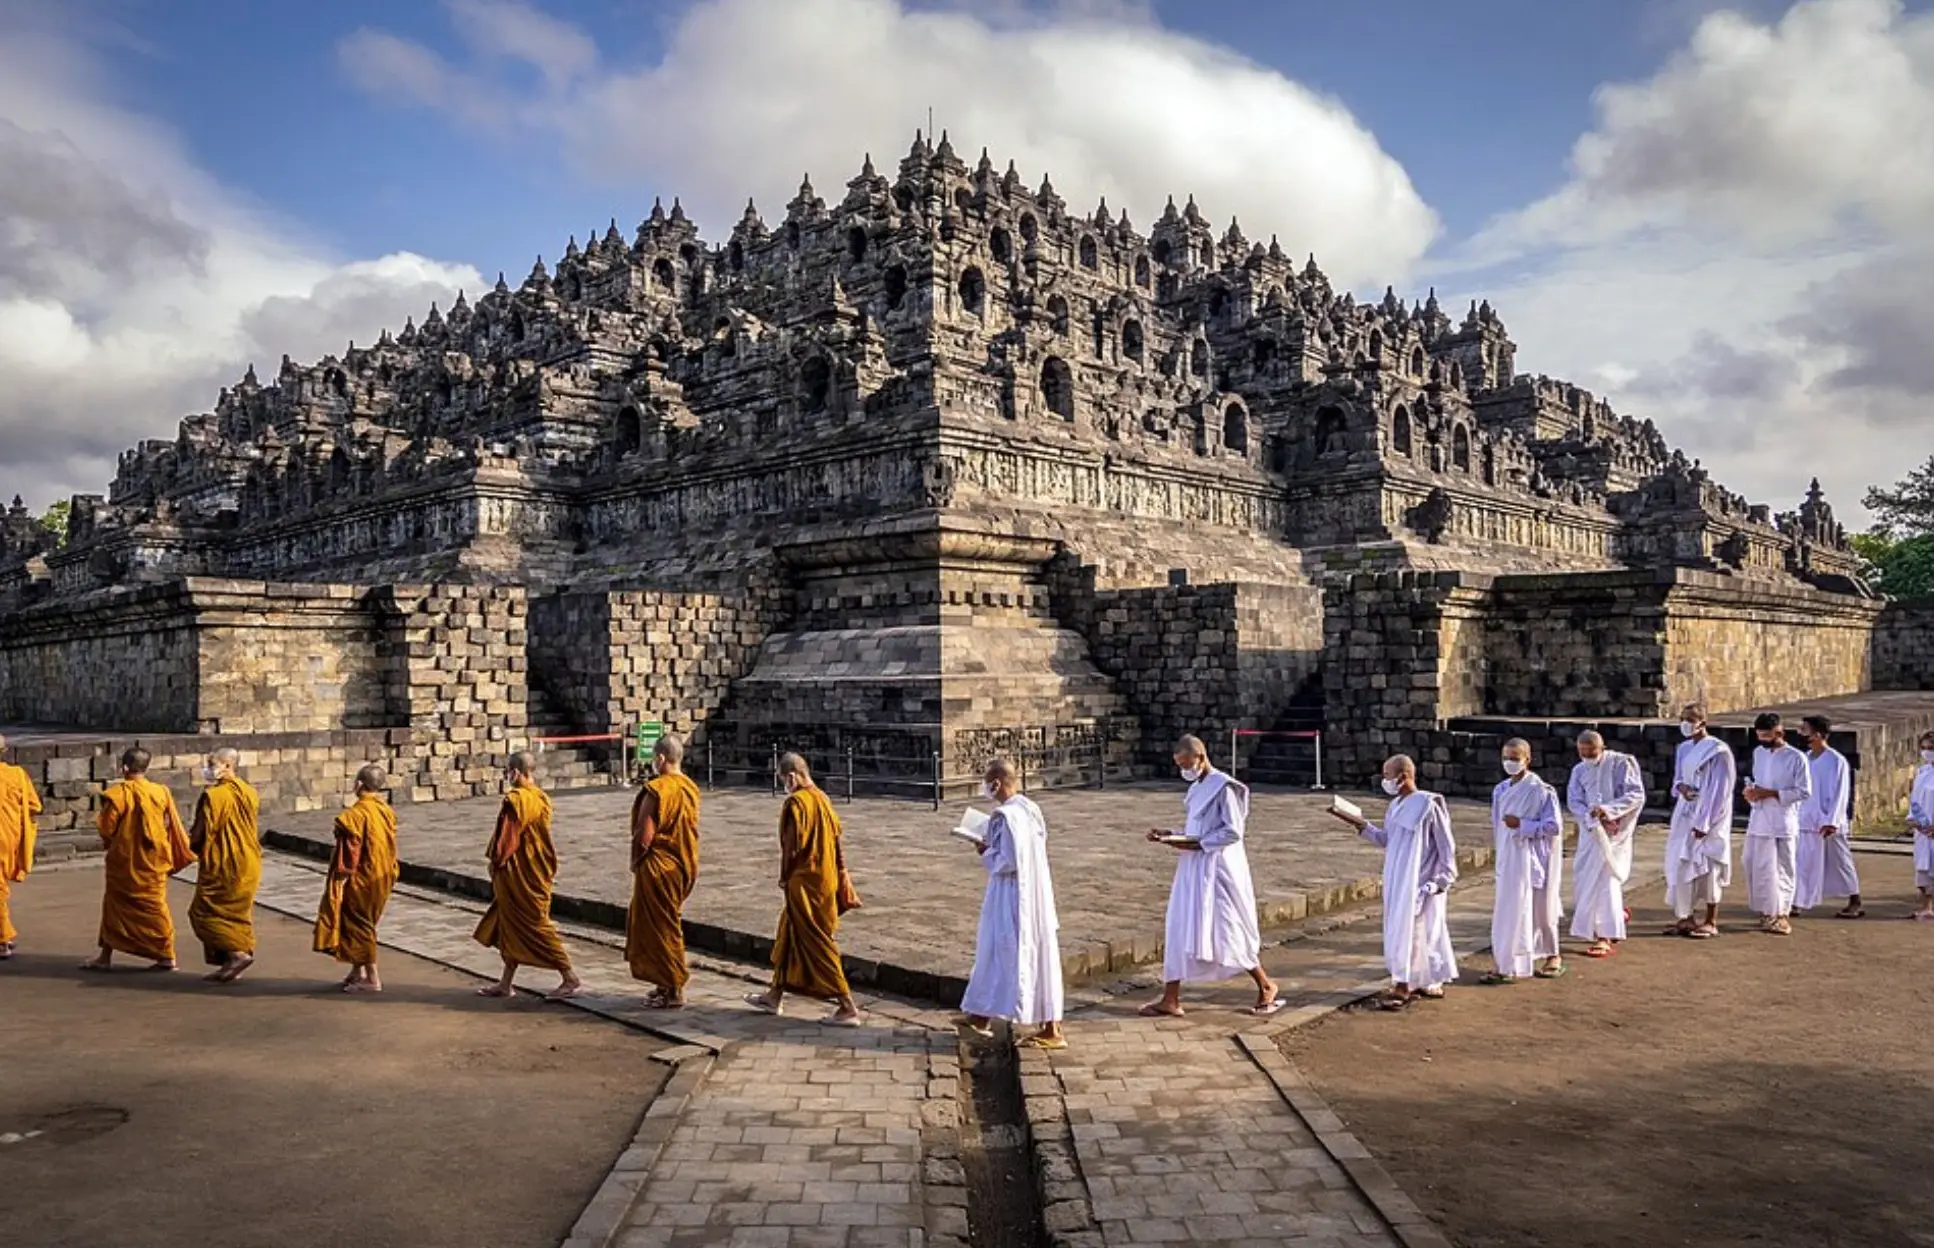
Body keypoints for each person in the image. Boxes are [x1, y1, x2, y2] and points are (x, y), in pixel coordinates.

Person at [1140, 736, 1280, 1019]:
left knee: (1227, 926)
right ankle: (1171, 996)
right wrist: (1171, 834)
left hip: (1218, 870)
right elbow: (1197, 826)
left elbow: (1232, 830)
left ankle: (1265, 984)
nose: (1183, 769)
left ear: (1200, 757)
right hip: (1193, 867)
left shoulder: (1223, 787)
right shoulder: (1197, 789)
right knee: (1178, 923)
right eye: (1179, 765)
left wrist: (1198, 844)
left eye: (1185, 763)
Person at [1330, 754, 1458, 1010]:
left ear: (1403, 776)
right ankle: (1414, 980)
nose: (1384, 780)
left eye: (1387, 775)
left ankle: (1404, 984)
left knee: (1420, 932)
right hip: (1398, 879)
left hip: (1422, 880)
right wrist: (1361, 825)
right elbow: (1388, 839)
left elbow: (1446, 848)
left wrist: (1441, 880)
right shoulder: (1395, 806)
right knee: (1405, 932)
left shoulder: (1428, 804)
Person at [745, 753, 861, 1026]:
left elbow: (791, 848)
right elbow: (837, 843)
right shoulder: (823, 798)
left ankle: (847, 1006)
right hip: (825, 880)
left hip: (805, 883)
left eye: (783, 780)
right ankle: (774, 995)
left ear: (791, 777)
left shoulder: (796, 803)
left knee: (818, 942)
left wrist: (784, 878)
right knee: (789, 933)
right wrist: (843, 873)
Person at [959, 757, 1066, 1049]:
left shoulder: (1005, 816)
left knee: (1007, 948)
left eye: (986, 782)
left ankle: (1051, 1028)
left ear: (996, 783)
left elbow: (1008, 861)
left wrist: (984, 850)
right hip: (1035, 891)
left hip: (1012, 894)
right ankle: (979, 1014)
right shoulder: (1030, 809)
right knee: (1001, 949)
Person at [474, 751, 582, 1001]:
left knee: (535, 925)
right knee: (510, 925)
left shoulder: (517, 799)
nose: (507, 776)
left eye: (508, 771)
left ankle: (569, 976)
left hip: (519, 873)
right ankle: (505, 983)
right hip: (532, 870)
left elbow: (507, 841)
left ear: (515, 772)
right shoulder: (540, 797)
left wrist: (495, 862)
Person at [81, 748, 194, 972]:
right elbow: (170, 823)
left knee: (115, 908)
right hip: (153, 860)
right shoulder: (161, 792)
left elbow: (107, 829)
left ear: (123, 768)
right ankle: (166, 955)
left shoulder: (116, 795)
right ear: (147, 767)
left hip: (124, 861)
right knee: (155, 906)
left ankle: (106, 957)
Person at [626, 735, 701, 1009]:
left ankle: (673, 989)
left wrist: (636, 862)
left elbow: (644, 836)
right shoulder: (690, 787)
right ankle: (664, 982)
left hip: (657, 868)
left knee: (662, 927)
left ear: (660, 759)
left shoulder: (658, 789)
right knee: (666, 923)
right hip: (682, 865)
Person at [1481, 739, 1565, 984]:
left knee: (1541, 910)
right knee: (1509, 910)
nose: (1510, 762)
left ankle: (1553, 955)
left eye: (1515, 758)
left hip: (1534, 858)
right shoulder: (1500, 790)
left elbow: (1554, 826)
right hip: (1509, 859)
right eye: (1506, 757)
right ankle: (1507, 963)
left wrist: (1523, 826)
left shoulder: (1542, 791)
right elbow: (1498, 825)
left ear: (1528, 759)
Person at [314, 765, 399, 993]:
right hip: (382, 874)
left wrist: (340, 878)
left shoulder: (353, 815)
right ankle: (357, 971)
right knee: (359, 921)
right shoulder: (385, 809)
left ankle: (372, 978)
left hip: (361, 876)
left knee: (360, 923)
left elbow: (349, 852)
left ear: (359, 784)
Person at [1567, 730, 1645, 958]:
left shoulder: (1622, 763)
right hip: (1591, 831)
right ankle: (1610, 917)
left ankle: (1605, 936)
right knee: (1586, 878)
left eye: (1591, 752)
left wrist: (1609, 812)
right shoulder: (1579, 770)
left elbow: (1635, 795)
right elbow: (1574, 799)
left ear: (1602, 747)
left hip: (1615, 832)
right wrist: (1590, 815)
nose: (1587, 756)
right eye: (1582, 753)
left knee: (1607, 879)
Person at [187, 748, 262, 983]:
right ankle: (232, 962)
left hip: (224, 863)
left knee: (202, 913)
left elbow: (199, 834)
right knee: (237, 913)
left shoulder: (214, 796)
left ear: (228, 765)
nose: (208, 769)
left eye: (212, 764)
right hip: (249, 861)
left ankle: (236, 954)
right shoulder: (249, 791)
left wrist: (181, 847)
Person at [1665, 704, 1735, 939]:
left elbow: (1719, 790)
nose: (1685, 724)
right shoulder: (1684, 748)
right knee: (1681, 861)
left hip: (1710, 815)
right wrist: (1681, 787)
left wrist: (1704, 824)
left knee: (1708, 864)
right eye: (1682, 719)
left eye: (1690, 719)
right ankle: (1685, 917)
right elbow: (1678, 778)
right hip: (1685, 810)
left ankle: (1710, 919)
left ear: (1702, 722)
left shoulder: (1717, 751)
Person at [1742, 712, 1810, 936]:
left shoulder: (1796, 757)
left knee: (1782, 867)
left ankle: (1781, 913)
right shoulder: (1759, 753)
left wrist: (1770, 793)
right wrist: (1751, 792)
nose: (1763, 740)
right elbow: (1757, 780)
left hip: (1782, 820)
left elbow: (1803, 791)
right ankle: (1766, 909)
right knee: (1759, 866)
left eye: (1767, 735)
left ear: (1779, 732)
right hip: (1759, 817)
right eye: (1760, 736)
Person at [1793, 715, 1862, 919]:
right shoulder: (1804, 758)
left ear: (1818, 734)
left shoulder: (1835, 760)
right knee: (1803, 861)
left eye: (1805, 729)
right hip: (1806, 819)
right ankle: (1798, 902)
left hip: (1829, 821)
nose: (1801, 733)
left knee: (1840, 861)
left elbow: (1841, 792)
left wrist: (1832, 820)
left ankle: (1855, 900)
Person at [0, 736, 41, 961]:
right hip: (10, 839)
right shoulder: (17, 775)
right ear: (4, 751)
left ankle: (2, 941)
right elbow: (34, 806)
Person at [1910, 731, 1934, 922]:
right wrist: (1913, 819)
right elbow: (1915, 798)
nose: (1927, 753)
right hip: (1922, 828)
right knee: (1922, 869)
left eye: (1931, 748)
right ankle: (1926, 906)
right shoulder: (1922, 772)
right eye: (1924, 748)